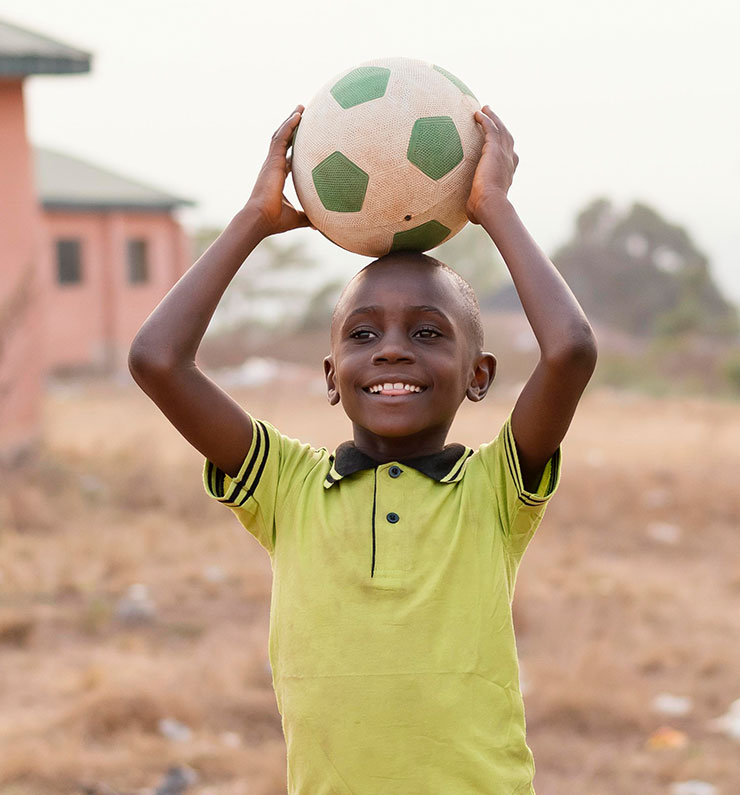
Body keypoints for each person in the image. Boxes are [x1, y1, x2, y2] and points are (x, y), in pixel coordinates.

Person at [129, 102, 597, 794]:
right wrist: (254, 220)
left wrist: (494, 206)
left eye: (430, 333)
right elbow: (158, 360)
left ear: (480, 374)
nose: (394, 352)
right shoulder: (286, 486)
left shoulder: (494, 488)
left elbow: (570, 350)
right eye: (363, 334)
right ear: (330, 375)